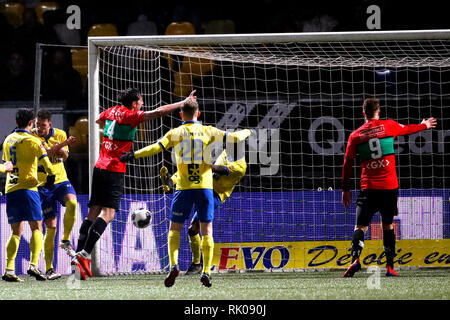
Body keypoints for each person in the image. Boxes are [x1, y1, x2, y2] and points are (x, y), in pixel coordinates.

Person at [120, 98, 252, 287]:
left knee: (174, 230)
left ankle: (174, 265)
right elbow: (237, 138)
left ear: (181, 115)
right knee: (207, 231)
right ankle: (206, 271)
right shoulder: (208, 130)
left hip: (184, 189)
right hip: (205, 189)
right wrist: (249, 131)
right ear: (198, 114)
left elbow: (156, 148)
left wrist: (133, 154)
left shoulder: (176, 132)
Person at [72, 88, 197, 280]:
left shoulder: (112, 110)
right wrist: (182, 103)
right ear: (133, 104)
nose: (142, 104)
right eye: (140, 101)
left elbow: (98, 120)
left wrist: (113, 133)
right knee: (109, 213)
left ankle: (78, 254)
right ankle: (85, 253)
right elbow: (158, 112)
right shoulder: (131, 116)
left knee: (93, 212)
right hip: (114, 168)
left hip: (99, 166)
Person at [341, 98, 437, 278]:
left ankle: (355, 259)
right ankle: (390, 267)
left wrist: (345, 189)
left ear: (364, 113)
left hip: (368, 188)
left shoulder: (355, 136)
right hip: (389, 188)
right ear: (379, 112)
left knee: (360, 227)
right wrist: (424, 125)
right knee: (388, 226)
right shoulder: (389, 126)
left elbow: (347, 164)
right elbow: (408, 129)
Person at [160, 142, 248, 276]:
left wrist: (204, 165)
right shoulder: (226, 153)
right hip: (203, 186)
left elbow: (221, 169)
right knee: (191, 230)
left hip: (215, 195)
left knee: (194, 228)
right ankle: (170, 181)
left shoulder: (241, 166)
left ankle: (201, 267)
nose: (224, 145)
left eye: (228, 143)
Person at [2, 108, 56, 282]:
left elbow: (7, 163)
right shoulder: (33, 141)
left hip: (11, 189)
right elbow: (47, 164)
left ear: (16, 122)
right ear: (31, 123)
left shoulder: (8, 140)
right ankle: (33, 265)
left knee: (16, 232)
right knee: (37, 227)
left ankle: (9, 269)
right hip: (29, 189)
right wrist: (50, 176)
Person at [31, 109, 78, 280]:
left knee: (73, 204)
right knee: (50, 228)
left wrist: (58, 148)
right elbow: (46, 154)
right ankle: (50, 268)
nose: (40, 129)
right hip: (42, 186)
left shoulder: (59, 133)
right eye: (38, 125)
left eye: (43, 125)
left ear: (50, 124)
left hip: (60, 180)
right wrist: (61, 145)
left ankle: (65, 240)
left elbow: (64, 156)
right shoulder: (32, 137)